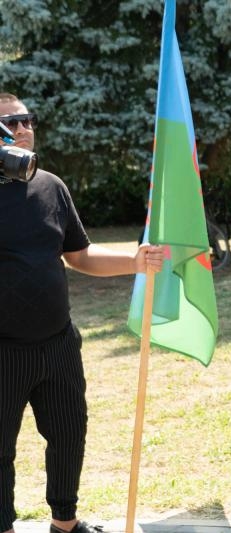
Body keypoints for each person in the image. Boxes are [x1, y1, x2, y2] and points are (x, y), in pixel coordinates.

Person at [0, 93, 164, 533]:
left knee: (69, 435)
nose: (21, 128)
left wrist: (135, 260)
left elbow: (81, 256)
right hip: (3, 353)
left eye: (25, 120)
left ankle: (65, 524)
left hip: (58, 341)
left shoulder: (51, 186)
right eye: (9, 124)